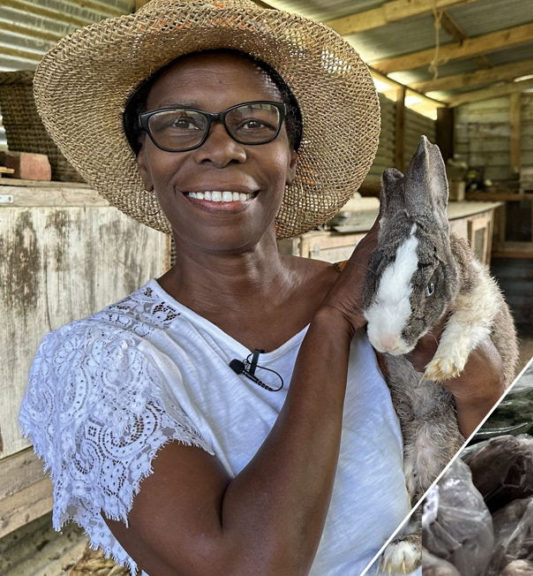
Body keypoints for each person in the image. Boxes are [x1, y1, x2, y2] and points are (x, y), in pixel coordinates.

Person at [18, 1, 504, 574]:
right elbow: (245, 565)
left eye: (253, 123)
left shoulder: (378, 297)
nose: (221, 147)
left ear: (292, 158)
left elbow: (482, 442)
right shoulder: (96, 363)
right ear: (143, 163)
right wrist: (331, 324)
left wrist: (475, 374)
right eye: (179, 123)